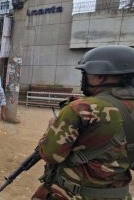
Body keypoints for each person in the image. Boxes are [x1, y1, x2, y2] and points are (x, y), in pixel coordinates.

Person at [32, 45, 134, 200]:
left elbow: (50, 155)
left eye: (85, 73)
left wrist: (51, 127)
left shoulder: (80, 108)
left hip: (74, 194)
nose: (83, 78)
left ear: (101, 76)